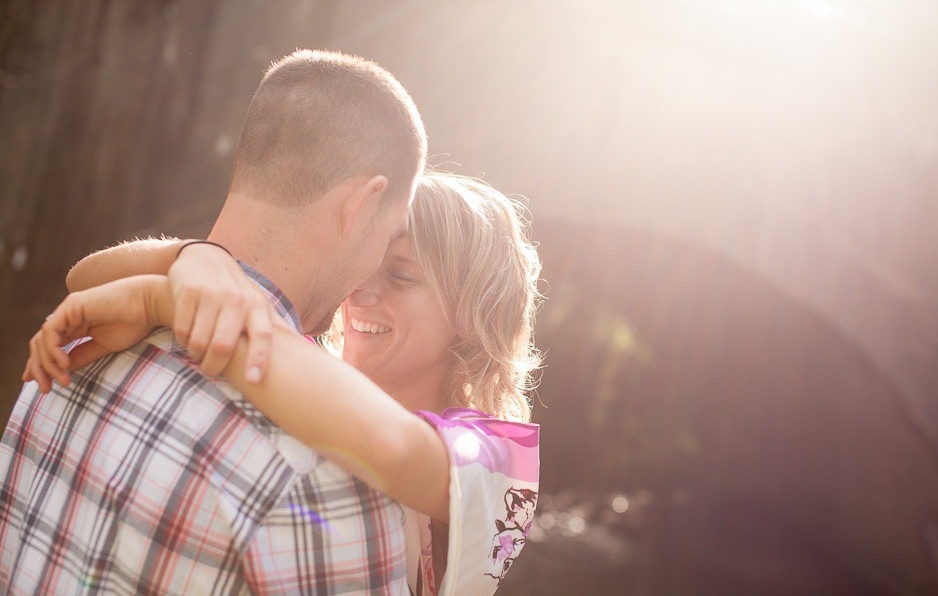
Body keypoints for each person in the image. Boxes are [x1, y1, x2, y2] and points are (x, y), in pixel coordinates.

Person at [0, 49, 428, 594]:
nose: (369, 282)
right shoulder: (328, 467)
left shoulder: (79, 339)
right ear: (362, 206)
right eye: (389, 237)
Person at [25, 171, 543, 596]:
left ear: (475, 314)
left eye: (402, 276)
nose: (360, 291)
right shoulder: (304, 362)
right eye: (365, 261)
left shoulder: (502, 461)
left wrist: (161, 302)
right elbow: (83, 283)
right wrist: (196, 257)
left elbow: (392, 447)